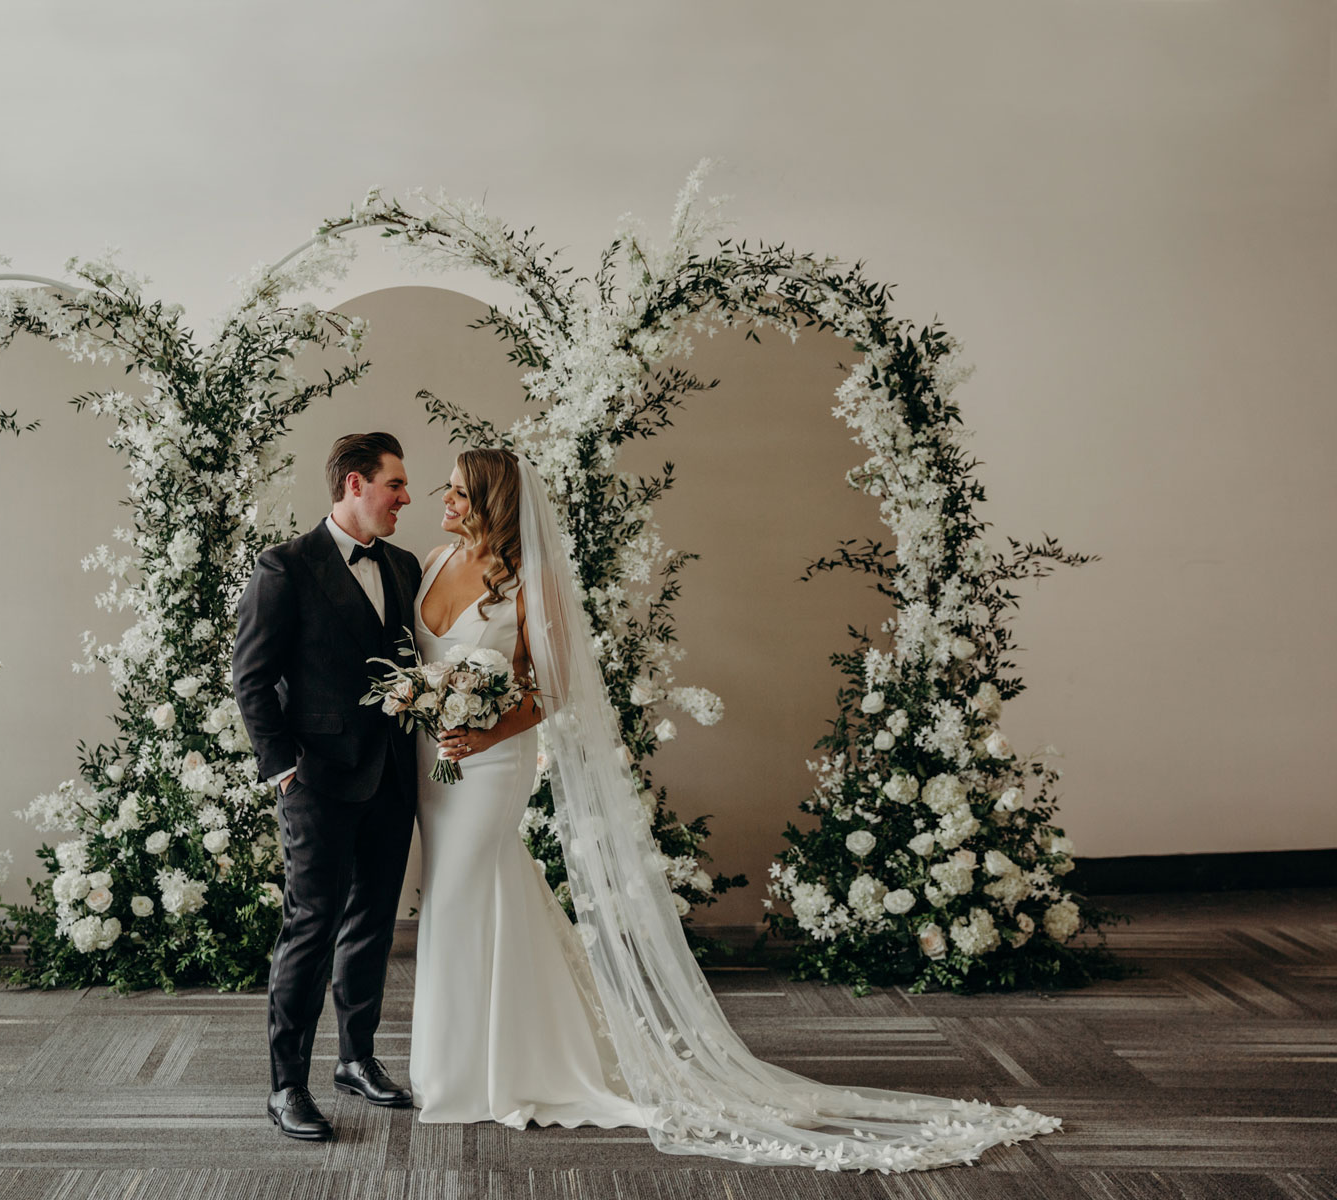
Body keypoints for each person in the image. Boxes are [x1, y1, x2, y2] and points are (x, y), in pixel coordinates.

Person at [407, 447, 1065, 1172]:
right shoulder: (433, 562)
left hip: (489, 763)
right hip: (432, 765)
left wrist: (483, 730)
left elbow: (553, 690)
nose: (447, 500)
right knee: (455, 895)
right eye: (448, 490)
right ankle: (482, 1056)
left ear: (495, 504)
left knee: (469, 887)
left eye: (462, 493)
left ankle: (485, 1071)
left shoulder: (529, 584)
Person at [232, 432, 424, 1142]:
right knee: (310, 929)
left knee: (372, 921)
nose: (406, 498)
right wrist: (282, 766)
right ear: (353, 484)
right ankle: (286, 1085)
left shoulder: (403, 566)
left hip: (391, 778)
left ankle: (356, 1059)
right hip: (315, 780)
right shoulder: (284, 566)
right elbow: (250, 678)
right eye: (395, 484)